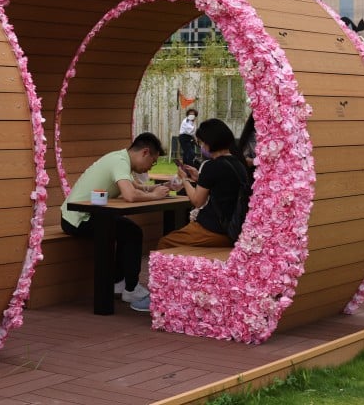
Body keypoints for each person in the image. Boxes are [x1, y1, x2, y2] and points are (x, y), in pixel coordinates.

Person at [60, 132, 169, 312]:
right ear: (145, 153)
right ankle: (131, 289)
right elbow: (130, 195)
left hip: (80, 216)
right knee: (131, 232)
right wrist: (154, 196)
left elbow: (134, 187)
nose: (151, 167)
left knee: (126, 229)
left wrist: (152, 189)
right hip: (78, 219)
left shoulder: (119, 158)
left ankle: (118, 282)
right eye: (153, 161)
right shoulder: (120, 162)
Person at [157, 118, 248, 249]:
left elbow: (197, 201)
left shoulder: (211, 166)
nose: (201, 146)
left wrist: (184, 179)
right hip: (234, 230)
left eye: (201, 142)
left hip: (212, 230)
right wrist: (199, 178)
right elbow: (223, 186)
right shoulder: (239, 165)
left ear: (209, 142)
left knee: (165, 243)